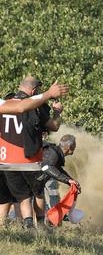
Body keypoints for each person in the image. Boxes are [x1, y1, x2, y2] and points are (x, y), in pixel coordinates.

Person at [0, 79, 69, 226]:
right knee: (37, 194)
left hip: (5, 161)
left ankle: (10, 226)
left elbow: (20, 107)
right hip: (29, 161)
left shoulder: (5, 102)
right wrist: (57, 111)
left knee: (12, 197)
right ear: (34, 91)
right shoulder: (36, 107)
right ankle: (40, 226)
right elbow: (54, 126)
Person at [35, 134, 81, 223]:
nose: (74, 150)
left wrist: (70, 181)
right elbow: (47, 167)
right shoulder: (52, 152)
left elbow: (57, 169)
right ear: (69, 147)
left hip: (35, 182)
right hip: (29, 181)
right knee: (26, 201)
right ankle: (15, 222)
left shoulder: (55, 153)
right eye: (74, 146)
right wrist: (68, 180)